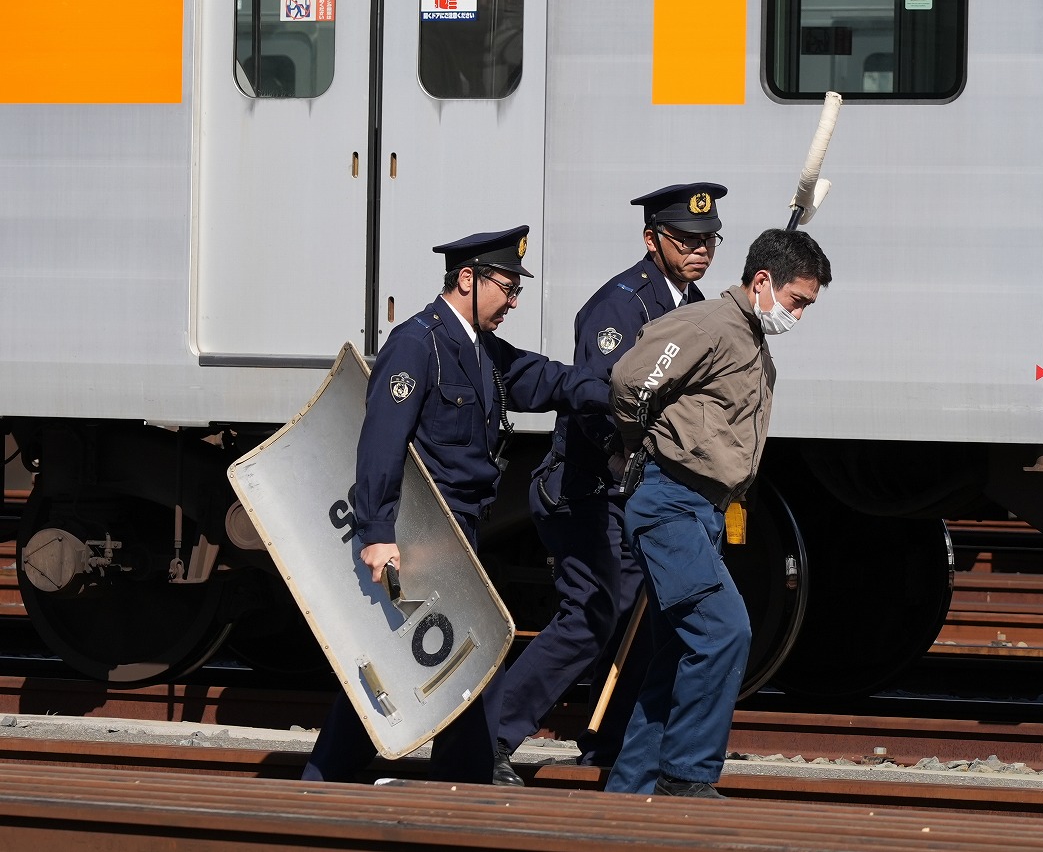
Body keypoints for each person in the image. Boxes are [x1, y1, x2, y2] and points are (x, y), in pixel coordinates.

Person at [301, 225, 611, 786]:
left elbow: (543, 381)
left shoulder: (480, 349)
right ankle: (454, 783)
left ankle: (360, 782)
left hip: (460, 526)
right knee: (466, 655)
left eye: (517, 289)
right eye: (507, 286)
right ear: (466, 279)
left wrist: (614, 389)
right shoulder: (416, 344)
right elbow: (380, 445)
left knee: (425, 659)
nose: (513, 301)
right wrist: (377, 532)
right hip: (425, 528)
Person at [493, 183, 728, 778]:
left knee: (643, 617)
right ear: (652, 240)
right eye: (687, 239)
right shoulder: (619, 306)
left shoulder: (695, 304)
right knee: (591, 616)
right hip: (589, 490)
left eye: (709, 239)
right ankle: (489, 739)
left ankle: (611, 742)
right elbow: (602, 401)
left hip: (643, 492)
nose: (701, 249)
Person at [604, 227, 832, 798]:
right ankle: (688, 777)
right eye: (798, 300)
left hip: (699, 509)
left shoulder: (748, 334)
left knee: (680, 650)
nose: (800, 315)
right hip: (670, 502)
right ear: (762, 282)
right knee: (724, 632)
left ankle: (629, 795)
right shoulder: (711, 325)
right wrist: (644, 445)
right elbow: (633, 381)